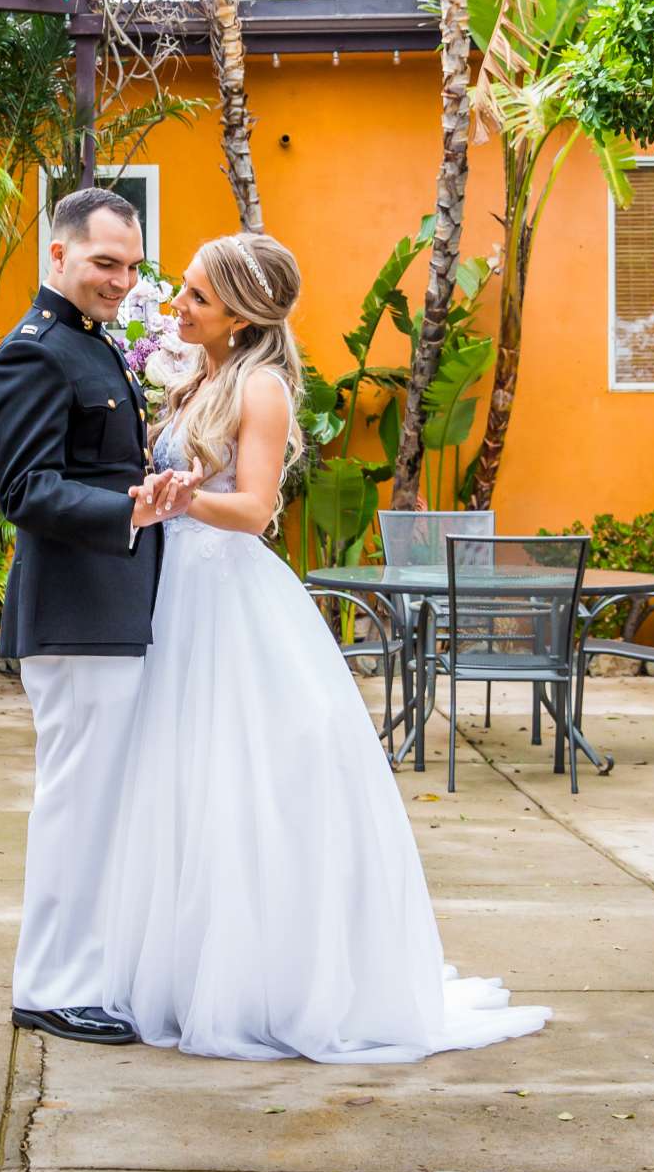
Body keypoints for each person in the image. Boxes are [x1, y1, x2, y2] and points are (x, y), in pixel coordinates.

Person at [101, 231, 551, 1064]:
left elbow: (255, 510)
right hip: (179, 599)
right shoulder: (199, 379)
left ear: (239, 311)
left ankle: (265, 982)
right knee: (187, 781)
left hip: (229, 599)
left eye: (195, 295)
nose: (178, 305)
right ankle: (187, 967)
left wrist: (177, 502)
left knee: (248, 784)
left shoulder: (260, 388)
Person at [0, 188, 197, 1046]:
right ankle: (50, 984)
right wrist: (129, 514)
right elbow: (24, 489)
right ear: (59, 255)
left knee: (105, 801)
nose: (121, 280)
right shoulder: (34, 355)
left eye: (132, 265)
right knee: (76, 801)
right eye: (106, 263)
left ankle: (89, 971)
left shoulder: (94, 347)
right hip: (76, 613)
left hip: (112, 609)